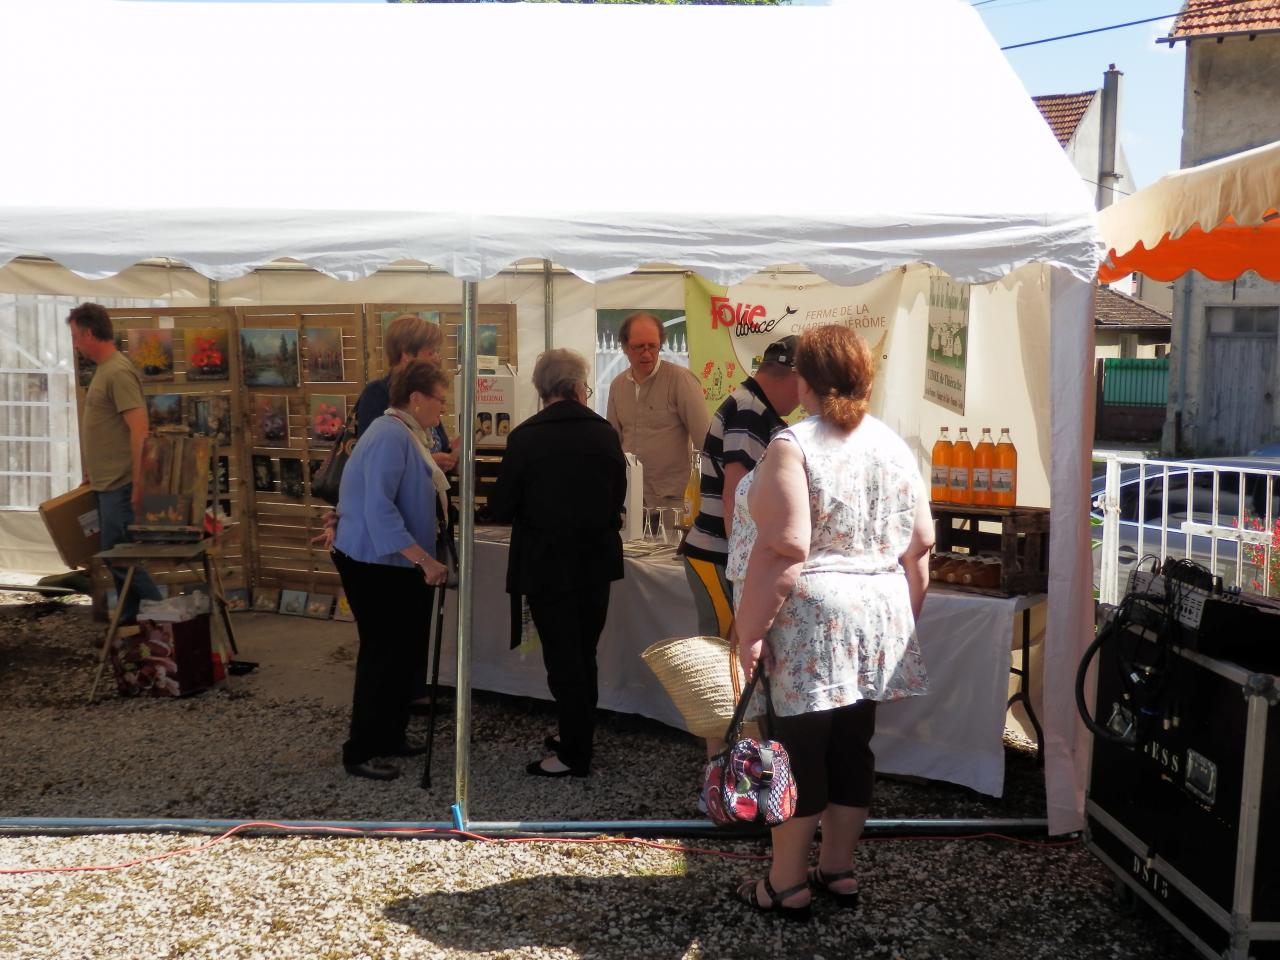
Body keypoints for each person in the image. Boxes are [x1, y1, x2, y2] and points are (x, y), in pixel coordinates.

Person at [727, 325, 934, 919]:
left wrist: (750, 629)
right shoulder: (893, 443)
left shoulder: (795, 443)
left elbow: (786, 547)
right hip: (879, 610)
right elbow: (921, 543)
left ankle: (786, 882)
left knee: (799, 748)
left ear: (804, 380)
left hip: (813, 618)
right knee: (853, 745)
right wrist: (905, 618)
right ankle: (837, 869)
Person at [490, 349, 627, 778]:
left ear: (541, 388)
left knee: (563, 658)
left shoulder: (526, 437)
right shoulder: (604, 433)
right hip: (595, 563)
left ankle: (575, 754)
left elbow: (501, 505)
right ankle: (576, 736)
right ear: (578, 385)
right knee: (583, 654)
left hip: (548, 565)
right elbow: (617, 498)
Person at [331, 360, 452, 781]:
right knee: (381, 655)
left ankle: (390, 734)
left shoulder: (405, 433)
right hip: (374, 563)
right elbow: (379, 508)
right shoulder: (388, 435)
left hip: (393, 561)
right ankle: (361, 748)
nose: (442, 409)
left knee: (402, 653)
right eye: (439, 400)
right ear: (416, 399)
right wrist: (424, 559)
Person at [680, 335, 801, 645]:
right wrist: (746, 572)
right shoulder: (751, 410)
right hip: (717, 555)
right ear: (794, 377)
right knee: (722, 652)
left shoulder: (754, 405)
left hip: (722, 554)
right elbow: (736, 496)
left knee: (729, 654)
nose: (802, 399)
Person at [67, 303, 163, 623]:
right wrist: (91, 473)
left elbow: (139, 430)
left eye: (76, 338)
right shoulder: (105, 370)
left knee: (119, 555)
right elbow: (106, 430)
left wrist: (138, 483)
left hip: (120, 484)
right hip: (106, 481)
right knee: (118, 554)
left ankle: (163, 615)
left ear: (90, 334)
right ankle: (132, 621)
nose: (75, 345)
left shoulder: (118, 372)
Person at [605, 312, 709, 510]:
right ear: (625, 347)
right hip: (630, 501)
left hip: (673, 503)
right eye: (639, 347)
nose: (646, 353)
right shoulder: (617, 386)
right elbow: (613, 443)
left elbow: (705, 441)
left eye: (652, 346)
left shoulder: (681, 380)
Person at [355, 313, 457, 473]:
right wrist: (426, 463)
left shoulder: (424, 393)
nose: (437, 359)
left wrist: (452, 454)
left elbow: (438, 446)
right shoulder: (377, 394)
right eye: (431, 352)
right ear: (406, 354)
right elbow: (371, 458)